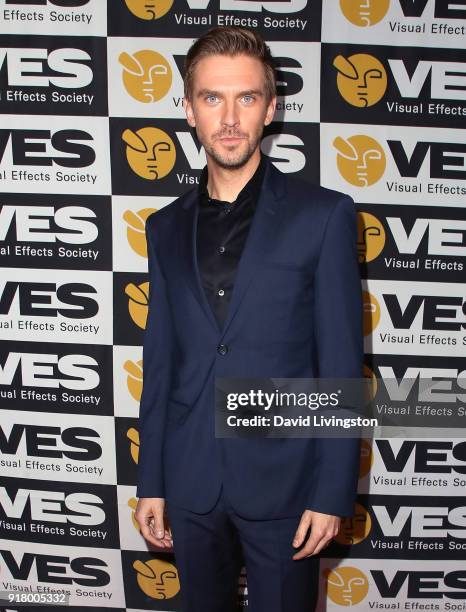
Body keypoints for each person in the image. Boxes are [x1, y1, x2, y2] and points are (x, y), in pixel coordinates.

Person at [135, 26, 363, 612]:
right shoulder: (163, 228)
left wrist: (333, 492)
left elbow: (341, 361)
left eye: (247, 97)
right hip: (190, 480)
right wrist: (152, 483)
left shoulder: (325, 215)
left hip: (288, 481)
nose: (229, 117)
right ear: (188, 110)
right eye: (212, 98)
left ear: (272, 107)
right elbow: (160, 362)